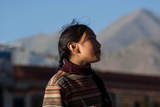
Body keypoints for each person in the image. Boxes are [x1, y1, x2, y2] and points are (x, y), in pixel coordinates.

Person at [42, 21, 112, 107]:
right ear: (73, 47)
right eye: (91, 39)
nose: (98, 44)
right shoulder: (59, 84)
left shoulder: (94, 79)